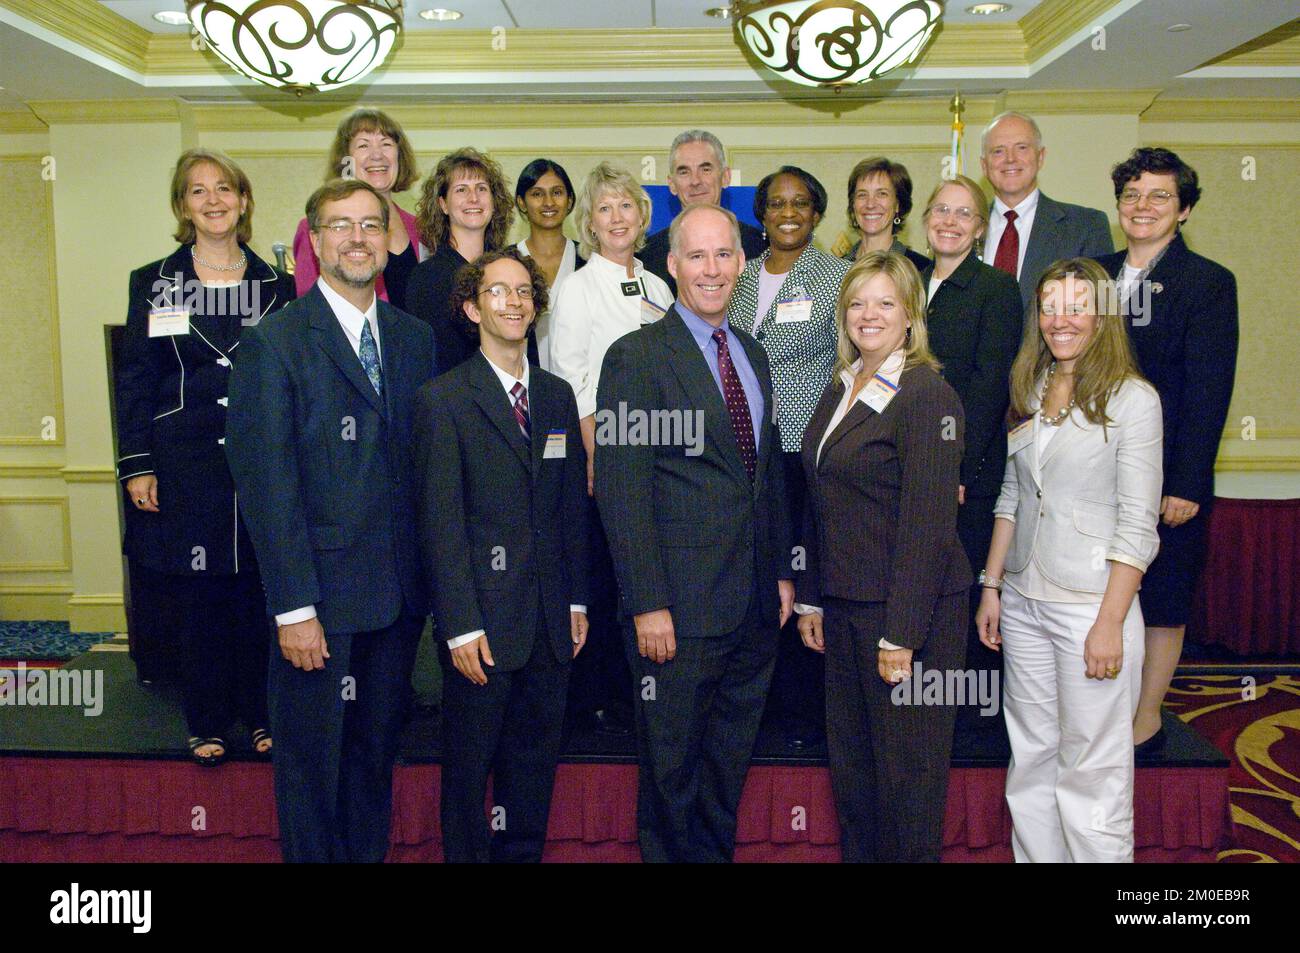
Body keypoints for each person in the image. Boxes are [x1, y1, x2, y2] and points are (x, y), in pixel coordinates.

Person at [225, 178, 438, 863]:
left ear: (388, 237)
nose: (357, 238)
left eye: (370, 224)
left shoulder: (414, 339)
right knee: (311, 770)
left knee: (374, 761)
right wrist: (293, 608)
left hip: (398, 602)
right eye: (339, 226)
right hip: (318, 603)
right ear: (313, 241)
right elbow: (267, 486)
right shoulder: (276, 344)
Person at [595, 203, 794, 863]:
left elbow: (764, 476)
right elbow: (623, 492)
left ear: (742, 263)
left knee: (724, 775)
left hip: (754, 607)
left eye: (724, 254)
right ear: (673, 265)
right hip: (676, 611)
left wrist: (782, 572)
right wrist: (647, 601)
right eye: (697, 256)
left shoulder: (754, 354)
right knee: (670, 776)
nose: (712, 269)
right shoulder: (636, 356)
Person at [976, 258, 1163, 862]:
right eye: (1051, 305)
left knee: (1093, 771)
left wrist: (1111, 621)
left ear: (1103, 315)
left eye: (1077, 304)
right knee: (1030, 758)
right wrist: (992, 586)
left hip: (1091, 607)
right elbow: (1013, 495)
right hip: (1025, 600)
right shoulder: (1030, 387)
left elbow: (1138, 524)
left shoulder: (1134, 400)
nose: (1062, 318)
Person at [115, 148, 294, 765]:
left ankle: (263, 713)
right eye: (198, 191)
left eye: (225, 189)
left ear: (244, 201)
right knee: (201, 596)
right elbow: (136, 378)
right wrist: (137, 463)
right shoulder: (153, 281)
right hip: (185, 460)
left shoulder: (279, 285)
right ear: (182, 206)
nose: (213, 200)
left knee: (260, 589)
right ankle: (207, 719)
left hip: (262, 456)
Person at [413, 248, 591, 863]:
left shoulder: (557, 396)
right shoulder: (443, 400)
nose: (513, 302)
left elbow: (570, 511)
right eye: (497, 291)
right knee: (467, 774)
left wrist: (574, 599)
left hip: (549, 622)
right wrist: (459, 624)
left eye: (523, 292)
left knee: (533, 769)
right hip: (480, 628)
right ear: (471, 307)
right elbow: (440, 525)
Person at [794, 251, 969, 862]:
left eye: (885, 303)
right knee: (856, 778)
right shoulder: (842, 386)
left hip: (908, 618)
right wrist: (812, 594)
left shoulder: (927, 394)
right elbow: (820, 500)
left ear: (911, 315)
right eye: (857, 303)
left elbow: (929, 525)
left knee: (908, 787)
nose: (868, 315)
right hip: (844, 610)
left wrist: (902, 634)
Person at [1096, 148, 1239, 752]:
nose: (1143, 207)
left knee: (1162, 596)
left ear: (1183, 209)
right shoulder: (1096, 274)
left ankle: (1145, 716)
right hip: (1095, 469)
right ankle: (1104, 708)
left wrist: (1184, 482)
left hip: (1164, 478)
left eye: (1159, 196)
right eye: (1132, 195)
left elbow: (1210, 390)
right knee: (1104, 592)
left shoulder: (1205, 282)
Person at [727, 165, 849, 749]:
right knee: (759, 573)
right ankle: (759, 699)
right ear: (762, 213)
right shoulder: (741, 276)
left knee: (803, 575)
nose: (788, 212)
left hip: (804, 450)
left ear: (817, 212)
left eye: (801, 202)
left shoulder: (837, 277)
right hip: (747, 449)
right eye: (776, 203)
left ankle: (805, 707)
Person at [549, 162, 671, 737]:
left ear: (642, 216)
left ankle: (642, 693)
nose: (617, 217)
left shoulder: (659, 286)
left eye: (626, 206)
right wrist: (598, 453)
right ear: (590, 223)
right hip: (603, 449)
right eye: (605, 208)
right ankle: (596, 701)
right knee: (602, 573)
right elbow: (569, 376)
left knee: (646, 573)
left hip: (663, 451)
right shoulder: (575, 287)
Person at [919, 175, 1023, 674]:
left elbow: (990, 386)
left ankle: (964, 716)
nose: (950, 221)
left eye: (963, 214)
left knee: (959, 590)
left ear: (980, 228)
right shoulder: (908, 280)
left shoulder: (996, 289)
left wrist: (955, 467)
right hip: (908, 462)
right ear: (925, 221)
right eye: (941, 210)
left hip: (966, 472)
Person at [979, 111, 1114, 312]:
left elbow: (1102, 310)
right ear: (984, 165)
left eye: (1022, 148)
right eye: (998, 151)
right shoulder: (965, 228)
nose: (1010, 159)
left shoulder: (1086, 227)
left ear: (1040, 157)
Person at [290, 108, 423, 310]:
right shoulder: (318, 228)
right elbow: (309, 308)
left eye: (386, 144)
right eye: (363, 145)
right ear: (345, 160)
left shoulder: (423, 228)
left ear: (399, 156)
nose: (377, 155)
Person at [407, 147, 516, 373]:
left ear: (494, 202)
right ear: (443, 204)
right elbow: (424, 362)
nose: (473, 198)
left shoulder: (513, 271)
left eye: (482, 189)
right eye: (461, 190)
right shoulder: (425, 278)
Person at [639, 129, 767, 295]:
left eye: (705, 169)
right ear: (671, 184)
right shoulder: (647, 255)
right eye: (684, 172)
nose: (695, 181)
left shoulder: (760, 248)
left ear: (725, 177)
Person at [513, 158, 586, 370]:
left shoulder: (588, 259)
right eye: (537, 194)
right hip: (522, 384)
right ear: (521, 202)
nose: (548, 202)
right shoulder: (506, 261)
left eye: (557, 192)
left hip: (580, 386)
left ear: (570, 200)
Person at [842, 156, 930, 272]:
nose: (870, 204)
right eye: (862, 195)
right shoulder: (834, 269)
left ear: (898, 204)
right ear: (853, 204)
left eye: (882, 194)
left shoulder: (921, 269)